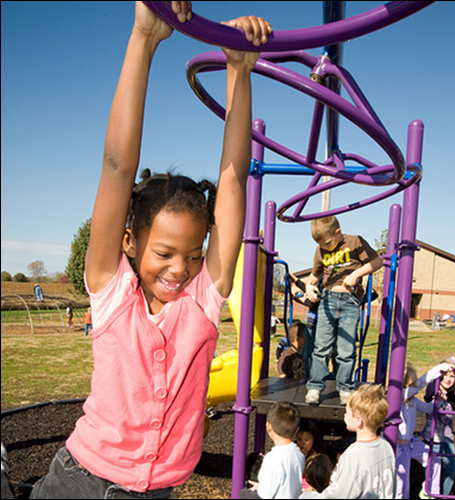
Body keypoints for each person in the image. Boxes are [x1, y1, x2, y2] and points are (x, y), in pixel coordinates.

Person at [25, 3, 272, 499]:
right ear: (129, 242)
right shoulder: (111, 289)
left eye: (194, 253)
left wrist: (238, 72)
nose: (180, 268)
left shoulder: (204, 299)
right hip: (80, 482)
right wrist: (143, 38)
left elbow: (233, 178)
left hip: (159, 491)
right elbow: (117, 166)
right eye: (163, 253)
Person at [304, 215, 383, 405]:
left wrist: (356, 274)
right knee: (321, 346)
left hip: (349, 301)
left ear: (338, 232)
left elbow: (377, 262)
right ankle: (315, 386)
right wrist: (308, 287)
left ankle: (345, 388)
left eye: (328, 242)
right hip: (328, 301)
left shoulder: (354, 242)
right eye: (322, 244)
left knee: (346, 350)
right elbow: (314, 275)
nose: (326, 246)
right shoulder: (321, 250)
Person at [301, 384, 395, 499]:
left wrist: (308, 496)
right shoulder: (386, 446)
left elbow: (337, 496)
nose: (344, 416)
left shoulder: (354, 456)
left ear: (358, 421)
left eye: (347, 413)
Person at [395, 361, 454, 499]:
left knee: (434, 458)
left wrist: (438, 400)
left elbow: (428, 408)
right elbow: (417, 387)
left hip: (411, 443)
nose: (416, 388)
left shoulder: (412, 400)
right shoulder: (398, 397)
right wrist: (437, 370)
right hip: (399, 447)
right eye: (413, 384)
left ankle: (428, 492)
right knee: (401, 486)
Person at [420, 359, 455, 497]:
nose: (449, 379)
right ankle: (429, 493)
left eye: (452, 376)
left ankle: (443, 495)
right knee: (432, 470)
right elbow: (429, 394)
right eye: (446, 375)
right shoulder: (433, 389)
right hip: (430, 438)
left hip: (446, 439)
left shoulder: (452, 394)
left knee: (452, 468)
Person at [240, 402, 305, 499]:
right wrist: (261, 487)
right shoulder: (298, 454)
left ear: (268, 426)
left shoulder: (272, 459)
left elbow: (263, 496)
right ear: (296, 430)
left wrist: (244, 494)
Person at [290, 273, 319, 379]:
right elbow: (307, 289)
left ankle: (312, 377)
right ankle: (307, 376)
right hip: (311, 324)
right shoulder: (317, 282)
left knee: (312, 354)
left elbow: (315, 304)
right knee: (307, 353)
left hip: (318, 325)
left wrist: (303, 300)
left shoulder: (327, 284)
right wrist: (295, 279)